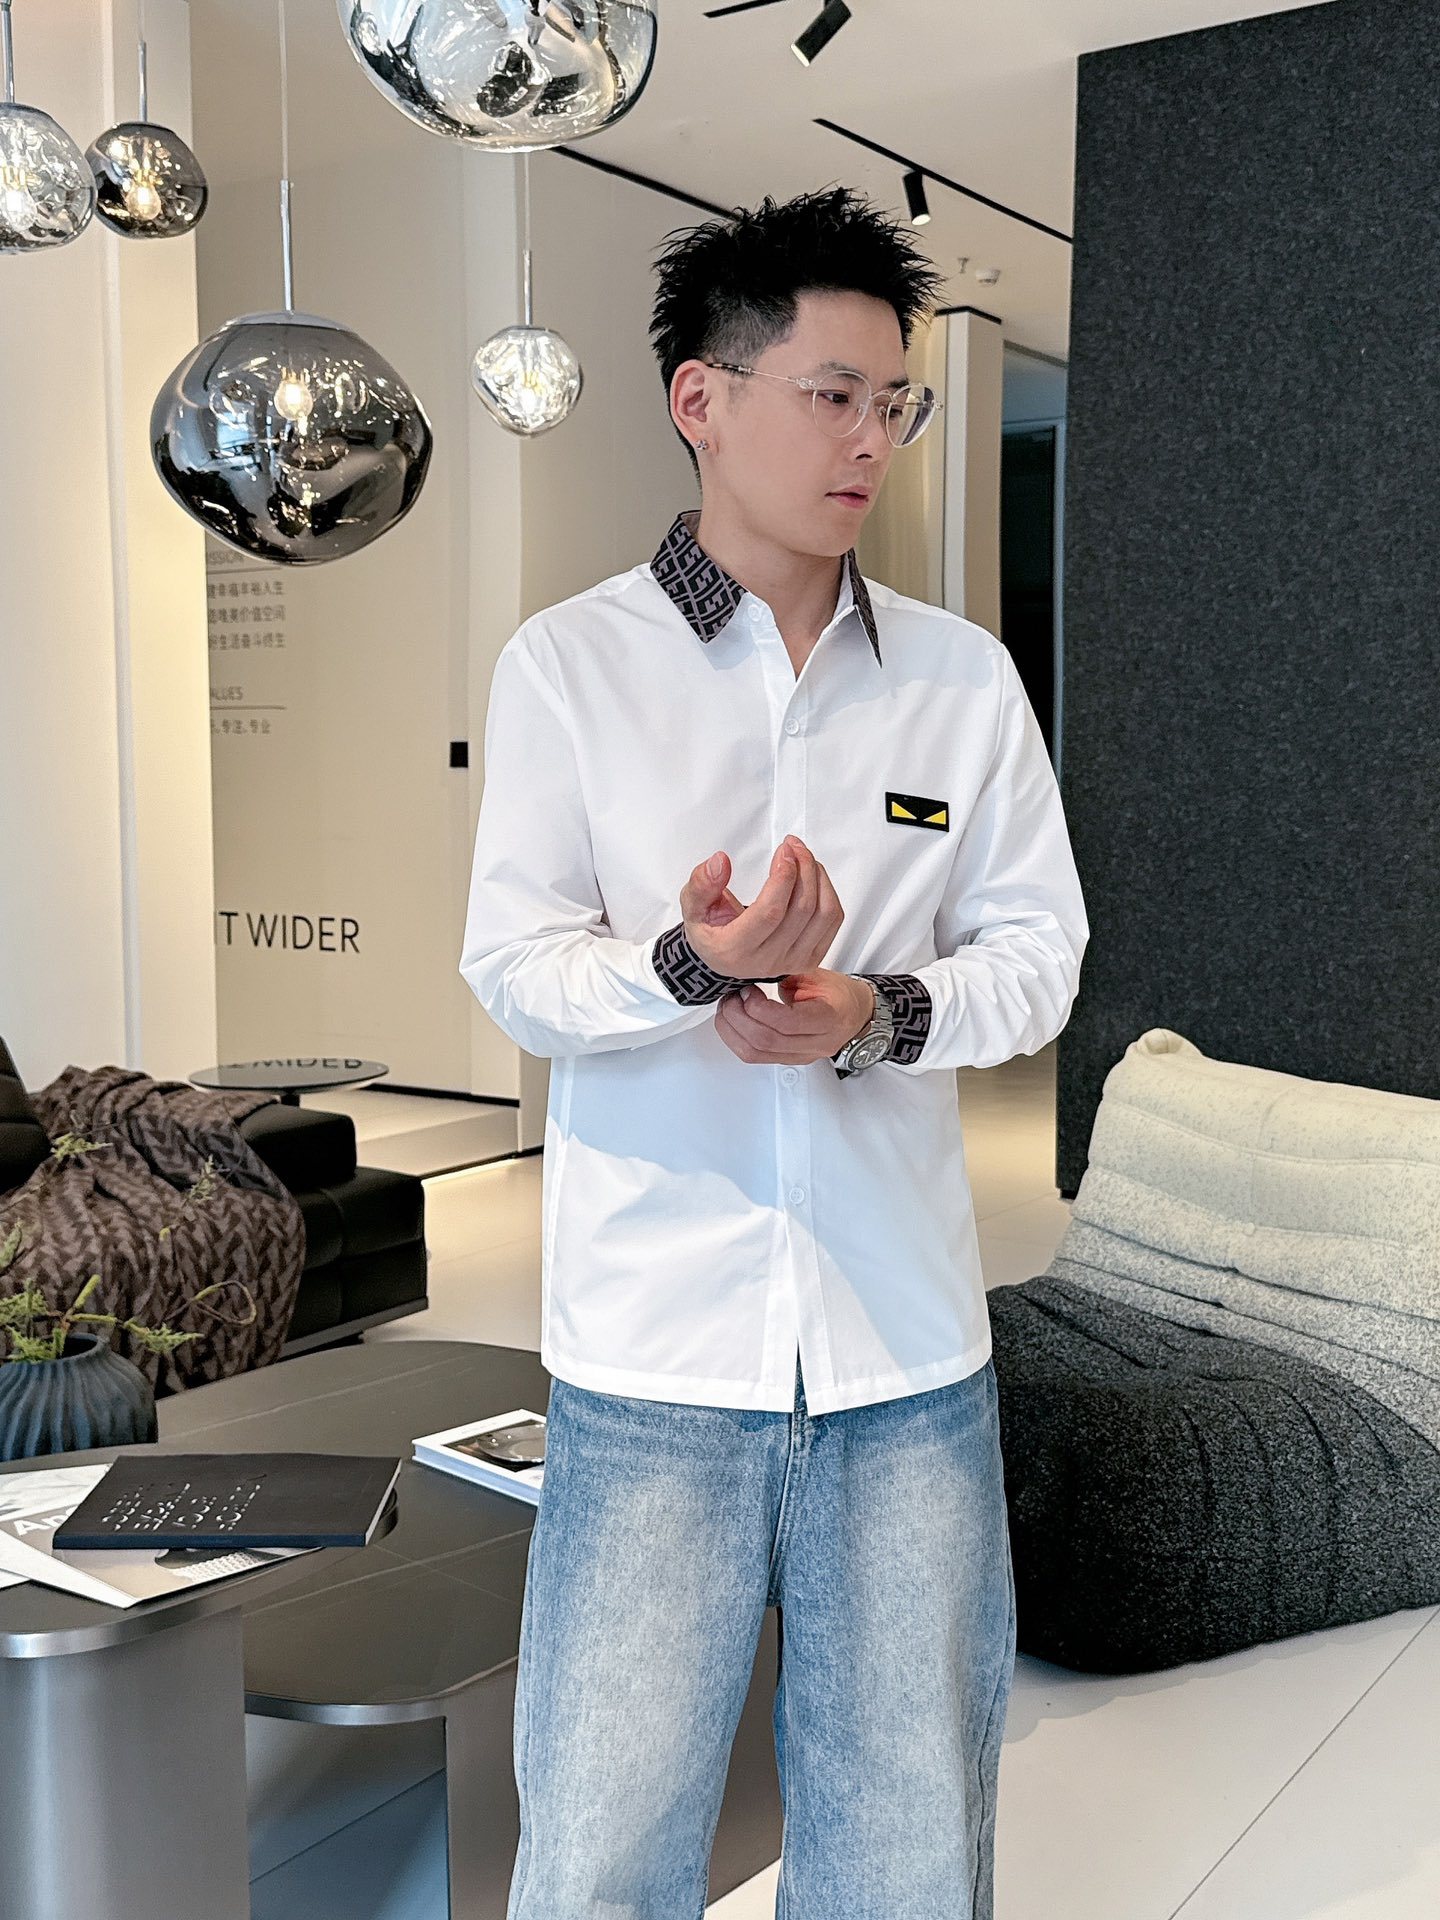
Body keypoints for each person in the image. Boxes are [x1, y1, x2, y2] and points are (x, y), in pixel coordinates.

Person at [460, 184, 1089, 1920]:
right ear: (704, 399)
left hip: (904, 1354)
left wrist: (874, 1013)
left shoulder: (960, 680)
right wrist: (691, 964)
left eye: (896, 401)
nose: (870, 438)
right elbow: (515, 970)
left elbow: (1039, 958)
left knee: (908, 1853)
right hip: (656, 1356)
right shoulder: (571, 668)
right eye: (831, 394)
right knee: (601, 1852)